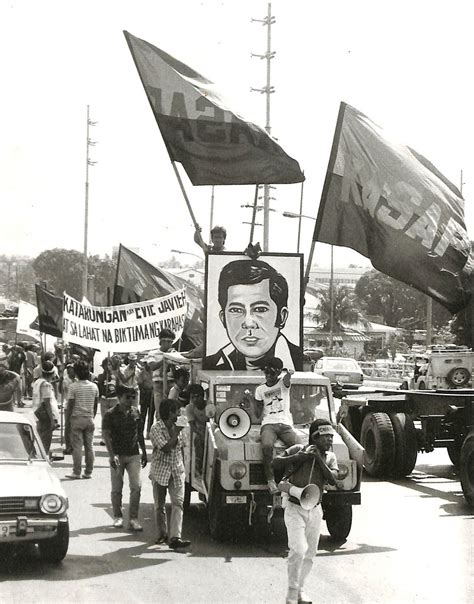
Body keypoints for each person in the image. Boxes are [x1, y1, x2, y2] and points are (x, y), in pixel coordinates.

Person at [273, 419, 339, 604]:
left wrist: (318, 459)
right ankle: (292, 595)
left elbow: (333, 479)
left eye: (331, 436)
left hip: (315, 510)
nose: (330, 440)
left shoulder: (330, 457)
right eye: (326, 436)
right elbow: (276, 463)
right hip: (294, 508)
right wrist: (298, 457)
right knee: (298, 550)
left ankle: (300, 590)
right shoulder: (297, 449)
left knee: (310, 554)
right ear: (315, 437)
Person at [204, 258, 306, 371]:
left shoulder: (298, 361)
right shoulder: (212, 365)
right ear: (223, 319)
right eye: (236, 310)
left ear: (282, 317)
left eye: (260, 309)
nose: (248, 323)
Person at [244, 357, 299, 494]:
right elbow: (257, 414)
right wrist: (251, 399)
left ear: (279, 372)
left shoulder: (283, 384)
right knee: (267, 446)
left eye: (272, 373)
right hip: (268, 423)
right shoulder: (260, 389)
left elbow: (287, 380)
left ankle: (286, 478)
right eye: (266, 372)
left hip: (286, 423)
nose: (268, 376)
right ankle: (271, 481)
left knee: (299, 448)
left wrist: (289, 374)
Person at [102, 384, 148, 531]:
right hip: (117, 455)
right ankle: (118, 516)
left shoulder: (136, 412)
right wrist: (111, 455)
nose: (130, 400)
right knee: (117, 488)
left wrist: (144, 452)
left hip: (134, 454)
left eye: (133, 397)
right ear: (119, 397)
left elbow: (139, 433)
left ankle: (133, 518)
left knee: (136, 486)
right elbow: (106, 436)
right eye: (127, 397)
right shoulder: (110, 414)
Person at [149, 398, 191, 548]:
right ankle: (162, 534)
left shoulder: (180, 428)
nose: (179, 415)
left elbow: (183, 446)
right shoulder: (156, 429)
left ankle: (175, 537)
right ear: (169, 413)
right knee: (159, 506)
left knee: (178, 503)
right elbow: (166, 448)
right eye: (176, 412)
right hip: (160, 471)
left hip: (177, 470)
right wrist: (177, 433)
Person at [65, 361, 98, 480]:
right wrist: (92, 415)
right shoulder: (94, 386)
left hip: (76, 418)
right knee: (90, 446)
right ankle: (88, 471)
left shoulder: (73, 387)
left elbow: (70, 405)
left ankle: (76, 471)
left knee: (77, 446)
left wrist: (68, 420)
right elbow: (95, 405)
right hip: (89, 418)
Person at [32, 360, 60, 454]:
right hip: (46, 416)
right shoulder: (46, 385)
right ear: (52, 372)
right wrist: (52, 420)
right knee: (45, 441)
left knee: (40, 438)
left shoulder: (37, 382)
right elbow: (47, 404)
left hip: (37, 413)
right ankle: (43, 457)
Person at [148, 329, 176, 419]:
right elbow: (152, 367)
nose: (170, 344)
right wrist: (165, 358)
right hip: (159, 385)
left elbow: (176, 372)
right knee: (160, 412)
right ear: (161, 341)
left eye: (171, 342)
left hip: (171, 383)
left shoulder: (174, 353)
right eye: (168, 342)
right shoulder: (153, 353)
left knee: (172, 412)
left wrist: (172, 361)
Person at [185, 384, 211, 477]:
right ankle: (198, 466)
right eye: (193, 397)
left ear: (202, 396)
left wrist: (207, 436)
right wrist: (201, 435)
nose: (195, 400)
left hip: (210, 432)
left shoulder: (209, 405)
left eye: (197, 397)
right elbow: (192, 425)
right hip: (199, 432)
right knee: (197, 440)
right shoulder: (190, 408)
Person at [97, 358, 119, 446]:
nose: (108, 367)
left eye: (110, 364)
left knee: (114, 419)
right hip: (104, 400)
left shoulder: (116, 376)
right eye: (106, 365)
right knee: (105, 419)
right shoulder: (101, 376)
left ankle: (114, 437)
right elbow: (100, 387)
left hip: (114, 399)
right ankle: (104, 438)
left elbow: (119, 386)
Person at [60, 363, 76, 454]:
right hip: (68, 405)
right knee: (68, 426)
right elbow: (60, 391)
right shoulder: (65, 380)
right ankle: (68, 446)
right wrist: (60, 380)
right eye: (70, 369)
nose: (72, 371)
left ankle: (74, 445)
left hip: (77, 405)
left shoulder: (77, 380)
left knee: (75, 426)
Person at [137, 357, 154, 438]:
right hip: (145, 394)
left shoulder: (153, 372)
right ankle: (141, 431)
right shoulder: (141, 373)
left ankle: (148, 432)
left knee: (151, 413)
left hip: (152, 393)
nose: (147, 365)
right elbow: (140, 384)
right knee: (143, 414)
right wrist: (143, 391)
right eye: (146, 363)